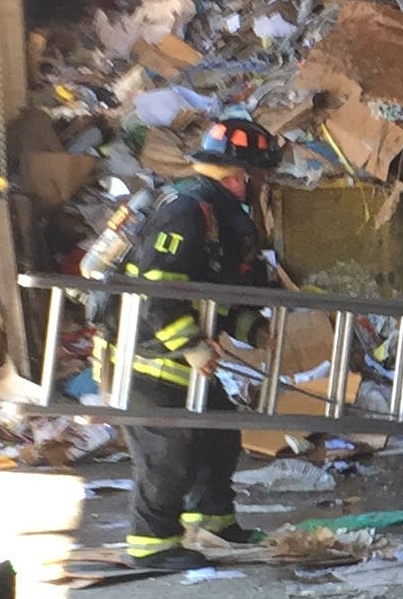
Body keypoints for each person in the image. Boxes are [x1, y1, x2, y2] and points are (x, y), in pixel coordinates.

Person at [97, 117, 280, 571]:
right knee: (167, 452)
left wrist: (249, 326)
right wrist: (192, 345)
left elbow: (216, 290)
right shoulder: (187, 208)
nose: (261, 189)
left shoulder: (221, 216)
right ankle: (151, 543)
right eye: (258, 178)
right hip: (149, 355)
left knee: (219, 437)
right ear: (240, 176)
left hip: (184, 357)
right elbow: (159, 286)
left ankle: (214, 522)